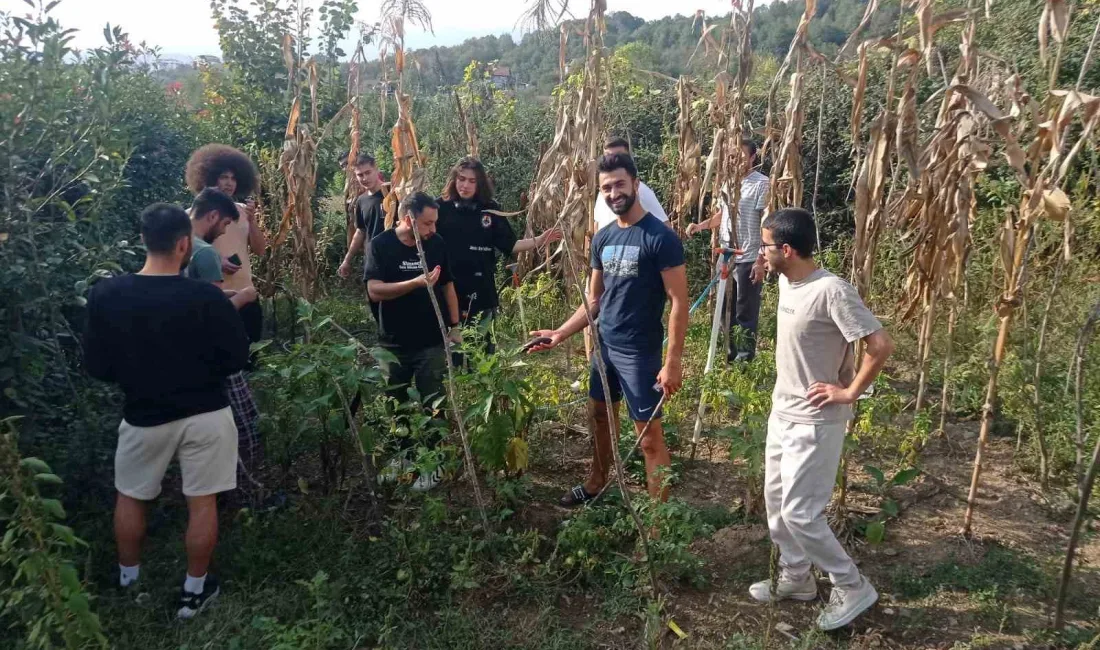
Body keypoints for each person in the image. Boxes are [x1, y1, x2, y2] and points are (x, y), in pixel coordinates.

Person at [84, 203, 250, 619]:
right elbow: (235, 358)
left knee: (132, 496)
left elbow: (97, 366)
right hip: (206, 412)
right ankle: (193, 592)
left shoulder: (107, 294)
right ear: (183, 244)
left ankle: (129, 581)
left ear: (143, 241)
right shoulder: (203, 297)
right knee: (202, 502)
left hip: (143, 414)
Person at [750, 208, 894, 631]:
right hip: (783, 412)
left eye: (767, 245)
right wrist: (755, 264)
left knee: (800, 512)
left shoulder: (832, 291)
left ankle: (851, 584)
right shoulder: (786, 279)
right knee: (776, 504)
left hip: (816, 420)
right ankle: (796, 577)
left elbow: (879, 345)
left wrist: (849, 391)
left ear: (788, 249)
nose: (763, 251)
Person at [529, 153, 688, 506]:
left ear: (636, 184)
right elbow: (595, 300)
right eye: (606, 188)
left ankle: (659, 525)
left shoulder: (660, 238)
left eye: (619, 184)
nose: (613, 193)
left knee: (648, 437)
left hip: (639, 351)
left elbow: (679, 301)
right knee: (600, 416)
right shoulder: (602, 239)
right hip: (604, 346)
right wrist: (560, 333)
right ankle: (596, 482)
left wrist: (672, 361)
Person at [365, 191, 461, 492]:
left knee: (433, 400)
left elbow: (447, 287)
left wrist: (455, 327)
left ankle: (434, 462)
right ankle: (403, 456)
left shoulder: (437, 244)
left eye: (435, 223)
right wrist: (415, 283)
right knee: (397, 402)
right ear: (408, 219)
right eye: (427, 223)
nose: (433, 229)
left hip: (431, 339)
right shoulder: (381, 245)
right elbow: (374, 290)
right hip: (392, 342)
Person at [435, 156, 561, 349]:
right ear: (454, 180)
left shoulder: (490, 210)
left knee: (482, 348)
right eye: (461, 179)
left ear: (480, 183)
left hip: (481, 291)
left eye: (472, 181)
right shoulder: (440, 208)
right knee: (451, 353)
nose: (465, 185)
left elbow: (510, 245)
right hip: (448, 291)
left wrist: (540, 239)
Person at [186, 189, 262, 493]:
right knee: (244, 426)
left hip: (186, 355)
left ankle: (213, 488)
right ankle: (245, 493)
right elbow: (213, 313)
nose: (225, 231)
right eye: (226, 223)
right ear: (214, 215)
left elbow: (196, 299)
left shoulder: (175, 244)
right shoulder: (203, 252)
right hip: (214, 353)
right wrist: (244, 296)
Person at [686, 139, 770, 362]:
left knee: (745, 311)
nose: (735, 161)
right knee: (725, 310)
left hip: (748, 256)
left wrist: (761, 259)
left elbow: (766, 222)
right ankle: (729, 355)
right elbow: (722, 215)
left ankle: (744, 361)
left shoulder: (761, 184)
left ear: (753, 157)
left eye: (740, 156)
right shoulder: (727, 184)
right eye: (731, 157)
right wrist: (701, 225)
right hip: (726, 256)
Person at [184, 144, 266, 343]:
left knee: (251, 357)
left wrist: (253, 222)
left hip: (246, 295)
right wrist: (214, 259)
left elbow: (260, 250)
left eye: (233, 178)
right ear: (209, 178)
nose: (229, 183)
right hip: (213, 299)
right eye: (223, 177)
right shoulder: (190, 217)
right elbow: (180, 255)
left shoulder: (244, 213)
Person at [592, 137, 669, 230]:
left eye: (619, 157)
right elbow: (597, 225)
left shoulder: (641, 191)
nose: (614, 162)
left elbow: (666, 227)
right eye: (608, 157)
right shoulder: (604, 193)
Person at [338, 154, 388, 280]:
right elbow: (360, 231)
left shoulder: (393, 194)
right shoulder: (361, 201)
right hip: (372, 259)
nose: (365, 178)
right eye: (360, 175)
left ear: (376, 169)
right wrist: (347, 260)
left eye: (368, 172)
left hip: (396, 258)